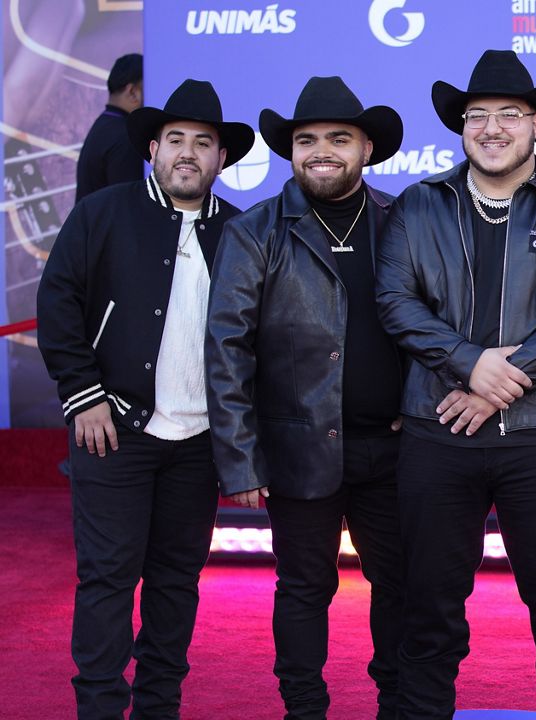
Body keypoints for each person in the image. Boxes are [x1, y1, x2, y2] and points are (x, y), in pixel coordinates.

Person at [375, 50, 536, 719]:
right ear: (460, 126)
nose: (491, 128)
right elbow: (395, 302)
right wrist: (466, 360)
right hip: (436, 433)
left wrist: (493, 381)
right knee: (426, 605)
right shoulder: (419, 206)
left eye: (508, 114)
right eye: (476, 115)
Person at [36, 79, 251, 718]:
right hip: (115, 433)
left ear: (220, 159)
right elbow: (57, 304)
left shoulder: (240, 232)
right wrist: (82, 393)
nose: (188, 152)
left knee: (175, 586)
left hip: (197, 446)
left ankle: (159, 707)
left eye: (203, 143)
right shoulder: (103, 212)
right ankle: (100, 709)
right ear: (153, 147)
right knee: (106, 581)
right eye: (176, 140)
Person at [206, 76, 406, 719]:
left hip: (397, 449)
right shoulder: (258, 229)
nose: (322, 151)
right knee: (303, 588)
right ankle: (304, 708)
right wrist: (239, 458)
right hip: (297, 446)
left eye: (338, 138)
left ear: (366, 146)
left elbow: (441, 326)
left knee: (403, 586)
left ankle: (399, 703)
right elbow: (226, 345)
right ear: (291, 151)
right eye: (307, 140)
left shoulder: (403, 220)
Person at [76, 53, 144, 202]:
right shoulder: (126, 137)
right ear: (133, 92)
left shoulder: (104, 125)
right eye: (149, 87)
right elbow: (127, 209)